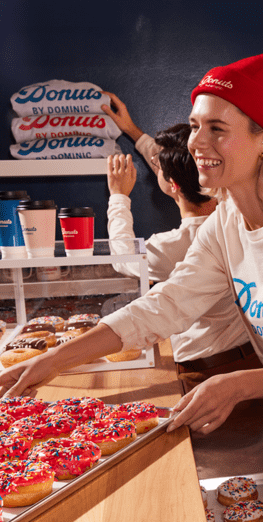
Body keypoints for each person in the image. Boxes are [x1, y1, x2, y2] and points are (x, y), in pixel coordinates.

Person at [0, 51, 263, 466]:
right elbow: (166, 306)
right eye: (196, 125)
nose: (197, 141)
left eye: (217, 128)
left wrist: (236, 385)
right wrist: (52, 360)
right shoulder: (225, 224)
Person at [102, 114, 253, 392]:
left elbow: (123, 257)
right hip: (251, 362)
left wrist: (118, 195)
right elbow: (184, 163)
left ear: (173, 184)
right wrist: (134, 131)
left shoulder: (177, 244)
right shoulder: (238, 216)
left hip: (208, 373)